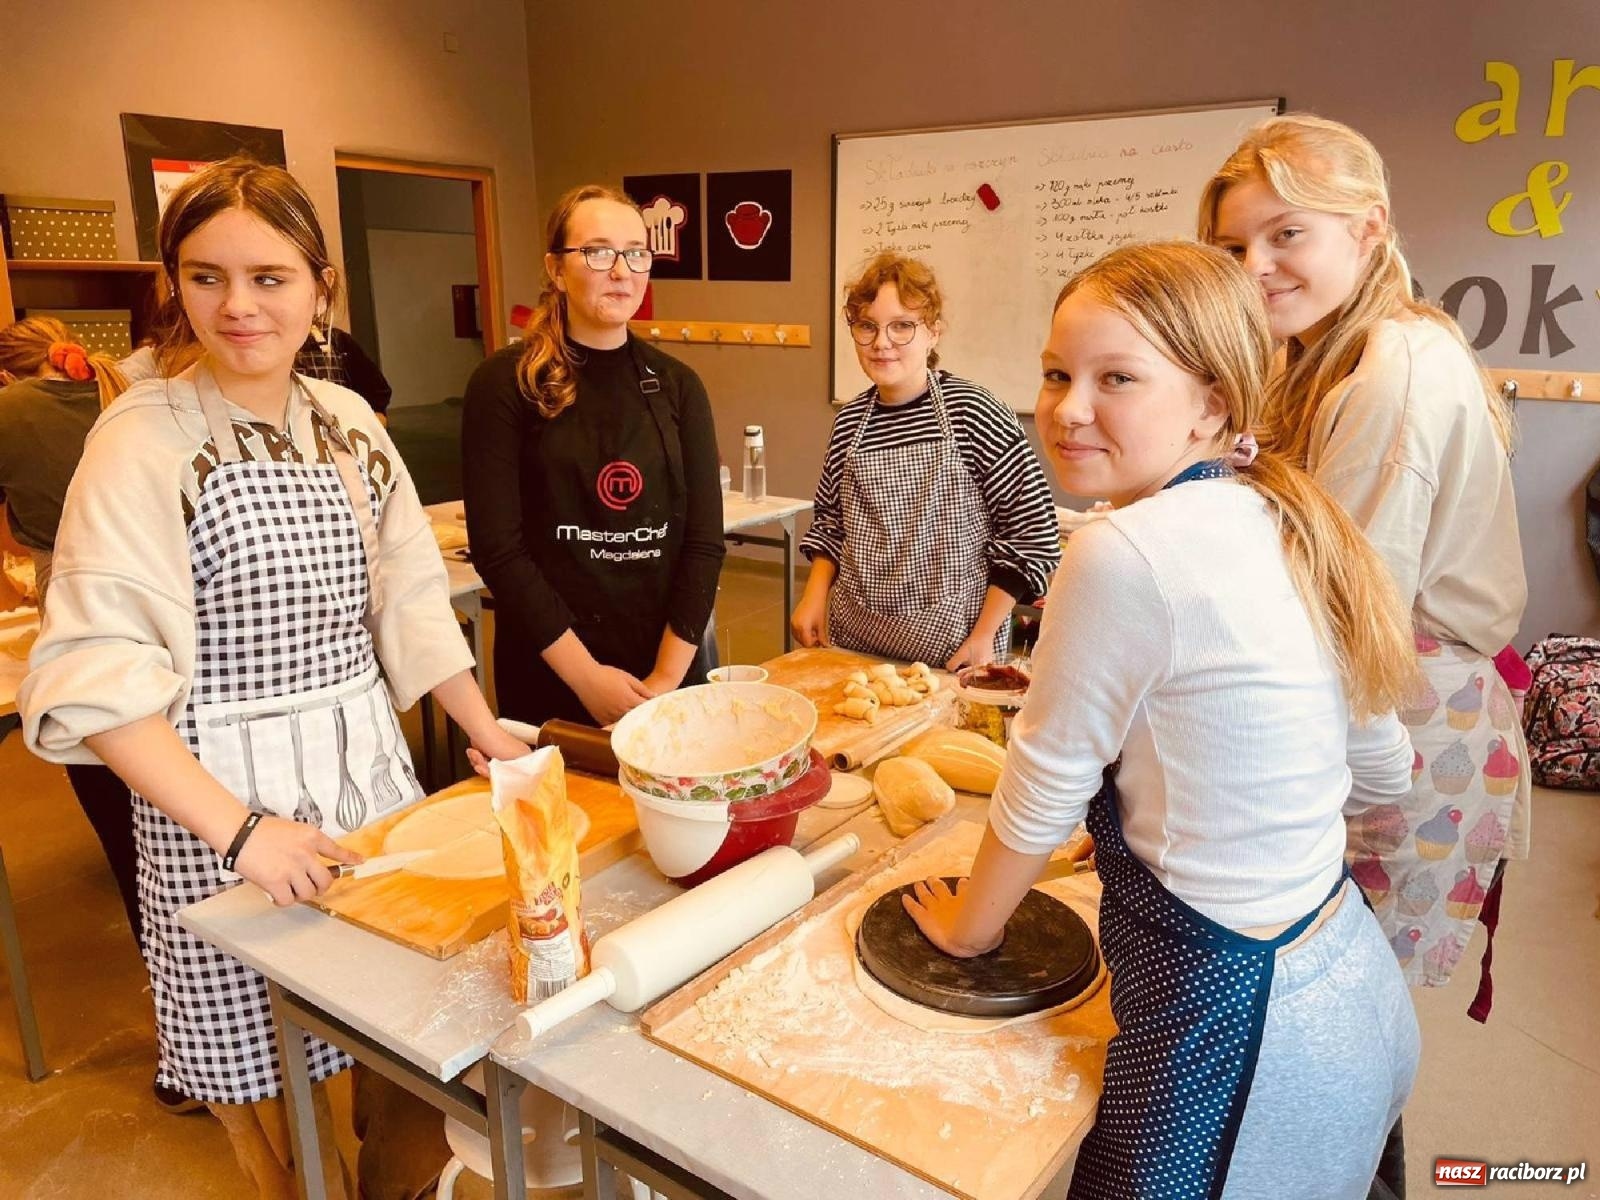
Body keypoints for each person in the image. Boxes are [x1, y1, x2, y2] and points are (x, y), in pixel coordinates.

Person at [19, 157, 528, 1197]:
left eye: (269, 277)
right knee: (278, 1098)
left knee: (407, 1059)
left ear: (318, 288)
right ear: (174, 287)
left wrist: (482, 726)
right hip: (219, 808)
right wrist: (242, 833)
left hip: (369, 790)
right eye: (206, 277)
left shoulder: (345, 421)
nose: (238, 306)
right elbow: (98, 675)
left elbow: (405, 589)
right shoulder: (139, 442)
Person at [905, 242, 1420, 1199]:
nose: (1067, 407)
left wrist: (972, 934)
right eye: (1057, 373)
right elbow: (1383, 768)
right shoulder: (1282, 516)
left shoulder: (1119, 550)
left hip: (1235, 1028)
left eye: (1118, 379)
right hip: (1347, 987)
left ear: (1215, 404)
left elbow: (1045, 785)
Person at [1201, 114, 1530, 998]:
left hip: (1401, 715)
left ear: (1370, 227)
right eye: (1234, 245)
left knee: (1335, 1004)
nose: (1255, 266)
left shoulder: (1393, 372)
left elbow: (1344, 606)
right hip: (1382, 698)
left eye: (1287, 233)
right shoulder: (1322, 354)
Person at [461, 184, 725, 727]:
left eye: (636, 252)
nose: (622, 271)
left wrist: (663, 684)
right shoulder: (505, 384)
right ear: (557, 270)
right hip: (553, 672)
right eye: (598, 252)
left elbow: (703, 544)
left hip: (663, 670)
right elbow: (499, 552)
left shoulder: (678, 386)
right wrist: (586, 679)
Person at [792, 252, 1060, 668]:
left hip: (957, 652)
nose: (882, 343)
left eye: (902, 326)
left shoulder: (974, 412)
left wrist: (984, 634)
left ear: (933, 333)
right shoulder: (849, 422)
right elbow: (831, 523)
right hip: (855, 645)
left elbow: (1032, 533)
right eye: (867, 326)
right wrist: (813, 596)